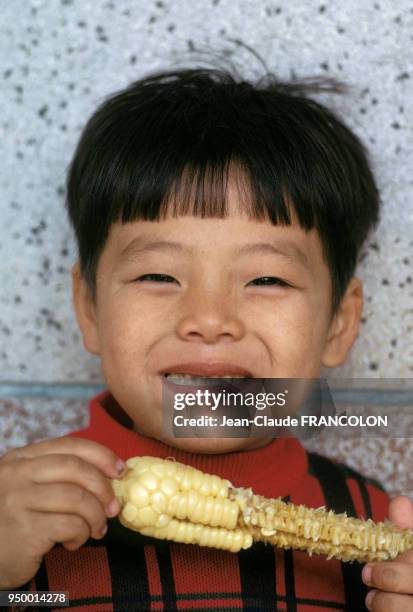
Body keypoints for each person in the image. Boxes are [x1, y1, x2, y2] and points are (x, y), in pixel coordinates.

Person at [1, 63, 412, 612]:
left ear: (339, 323)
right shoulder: (21, 516)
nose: (210, 318)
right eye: (158, 276)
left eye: (267, 280)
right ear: (90, 310)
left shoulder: (371, 529)